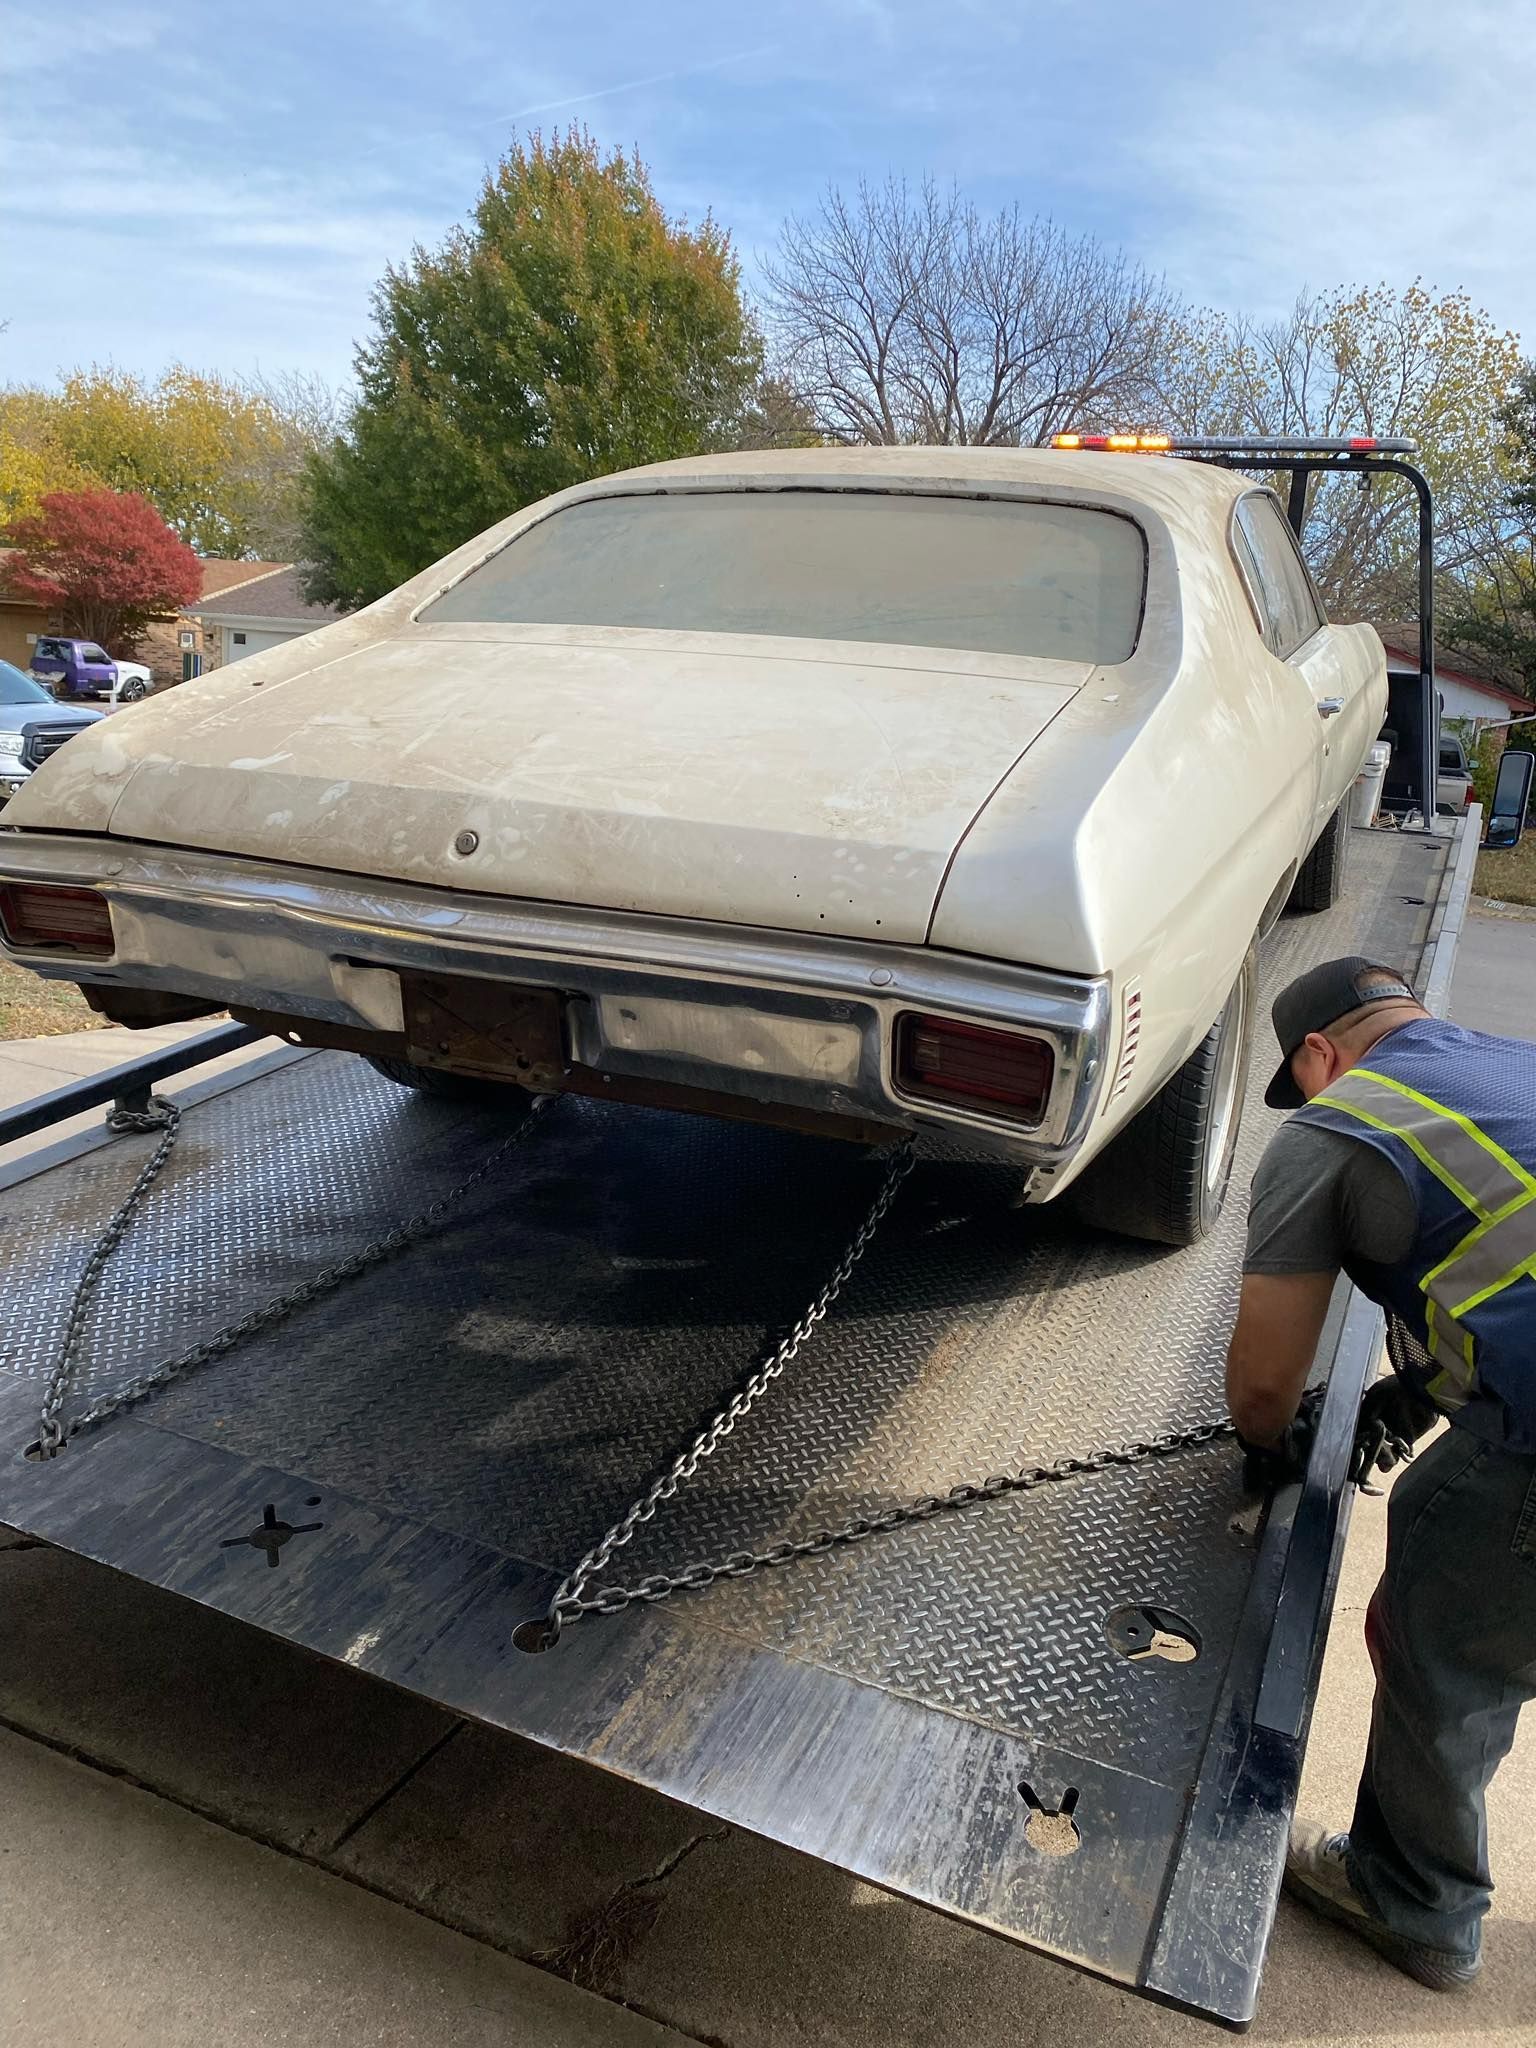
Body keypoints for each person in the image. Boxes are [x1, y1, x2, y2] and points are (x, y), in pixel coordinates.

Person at [1225, 955, 1536, 1992]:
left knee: (1449, 1605)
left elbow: (1267, 1382)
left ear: (1320, 1053)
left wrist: (1269, 1451)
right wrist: (1426, 1391)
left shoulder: (1336, 1123)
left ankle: (1416, 1902)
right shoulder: (1509, 1067)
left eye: (1303, 1076)